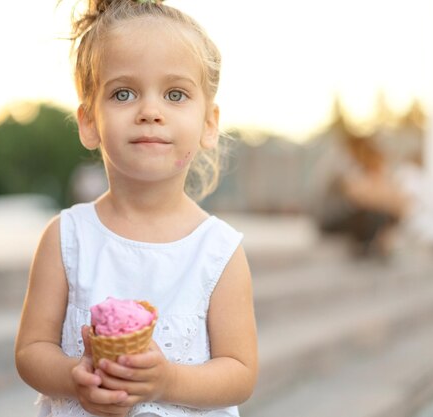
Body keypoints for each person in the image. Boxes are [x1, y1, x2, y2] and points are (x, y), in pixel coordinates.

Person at [14, 1, 258, 417]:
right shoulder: (67, 236)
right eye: (123, 93)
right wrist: (76, 375)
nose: (150, 112)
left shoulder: (218, 250)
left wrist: (169, 381)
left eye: (175, 94)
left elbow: (240, 371)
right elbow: (31, 351)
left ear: (209, 124)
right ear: (89, 121)